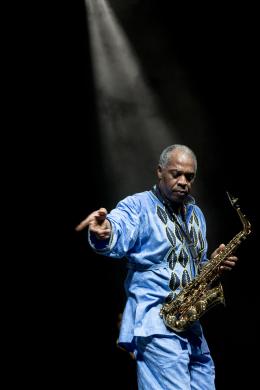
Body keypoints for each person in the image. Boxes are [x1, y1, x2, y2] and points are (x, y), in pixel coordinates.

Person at [75, 144, 238, 389]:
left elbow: (195, 267)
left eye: (190, 177)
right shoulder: (138, 206)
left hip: (190, 327)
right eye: (176, 174)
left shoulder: (196, 215)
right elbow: (118, 227)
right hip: (156, 324)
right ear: (160, 172)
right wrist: (104, 231)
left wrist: (213, 264)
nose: (184, 181)